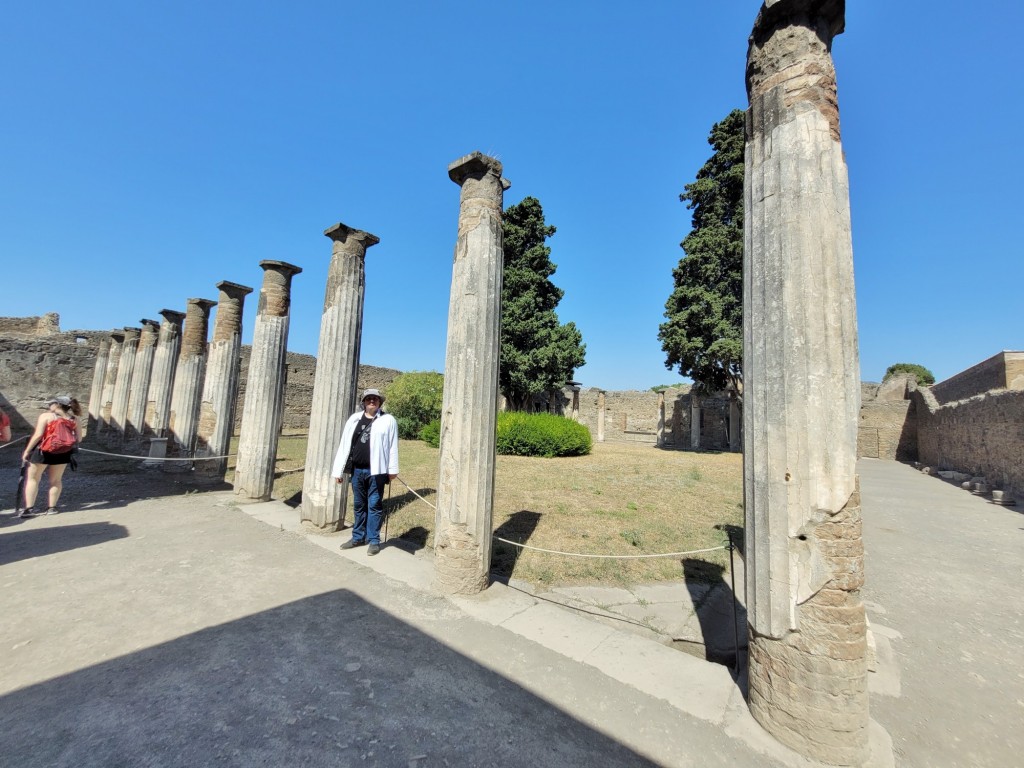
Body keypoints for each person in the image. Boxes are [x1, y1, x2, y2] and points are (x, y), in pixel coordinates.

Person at [331, 388, 399, 556]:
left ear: (380, 402)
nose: (371, 401)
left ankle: (374, 540)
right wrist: (338, 471)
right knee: (359, 506)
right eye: (368, 398)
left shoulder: (388, 420)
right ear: (363, 402)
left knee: (374, 505)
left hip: (377, 472)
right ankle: (357, 537)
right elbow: (344, 444)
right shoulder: (354, 419)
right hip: (357, 470)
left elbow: (392, 446)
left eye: (375, 399)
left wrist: (392, 470)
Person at [19, 395, 82, 518]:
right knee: (56, 480)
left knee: (33, 479)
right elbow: (78, 438)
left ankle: (29, 509)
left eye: (50, 404)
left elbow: (38, 435)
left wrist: (27, 450)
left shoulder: (46, 417)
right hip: (63, 452)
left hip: (43, 451)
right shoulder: (74, 419)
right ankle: (52, 508)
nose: (49, 406)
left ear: (57, 405)